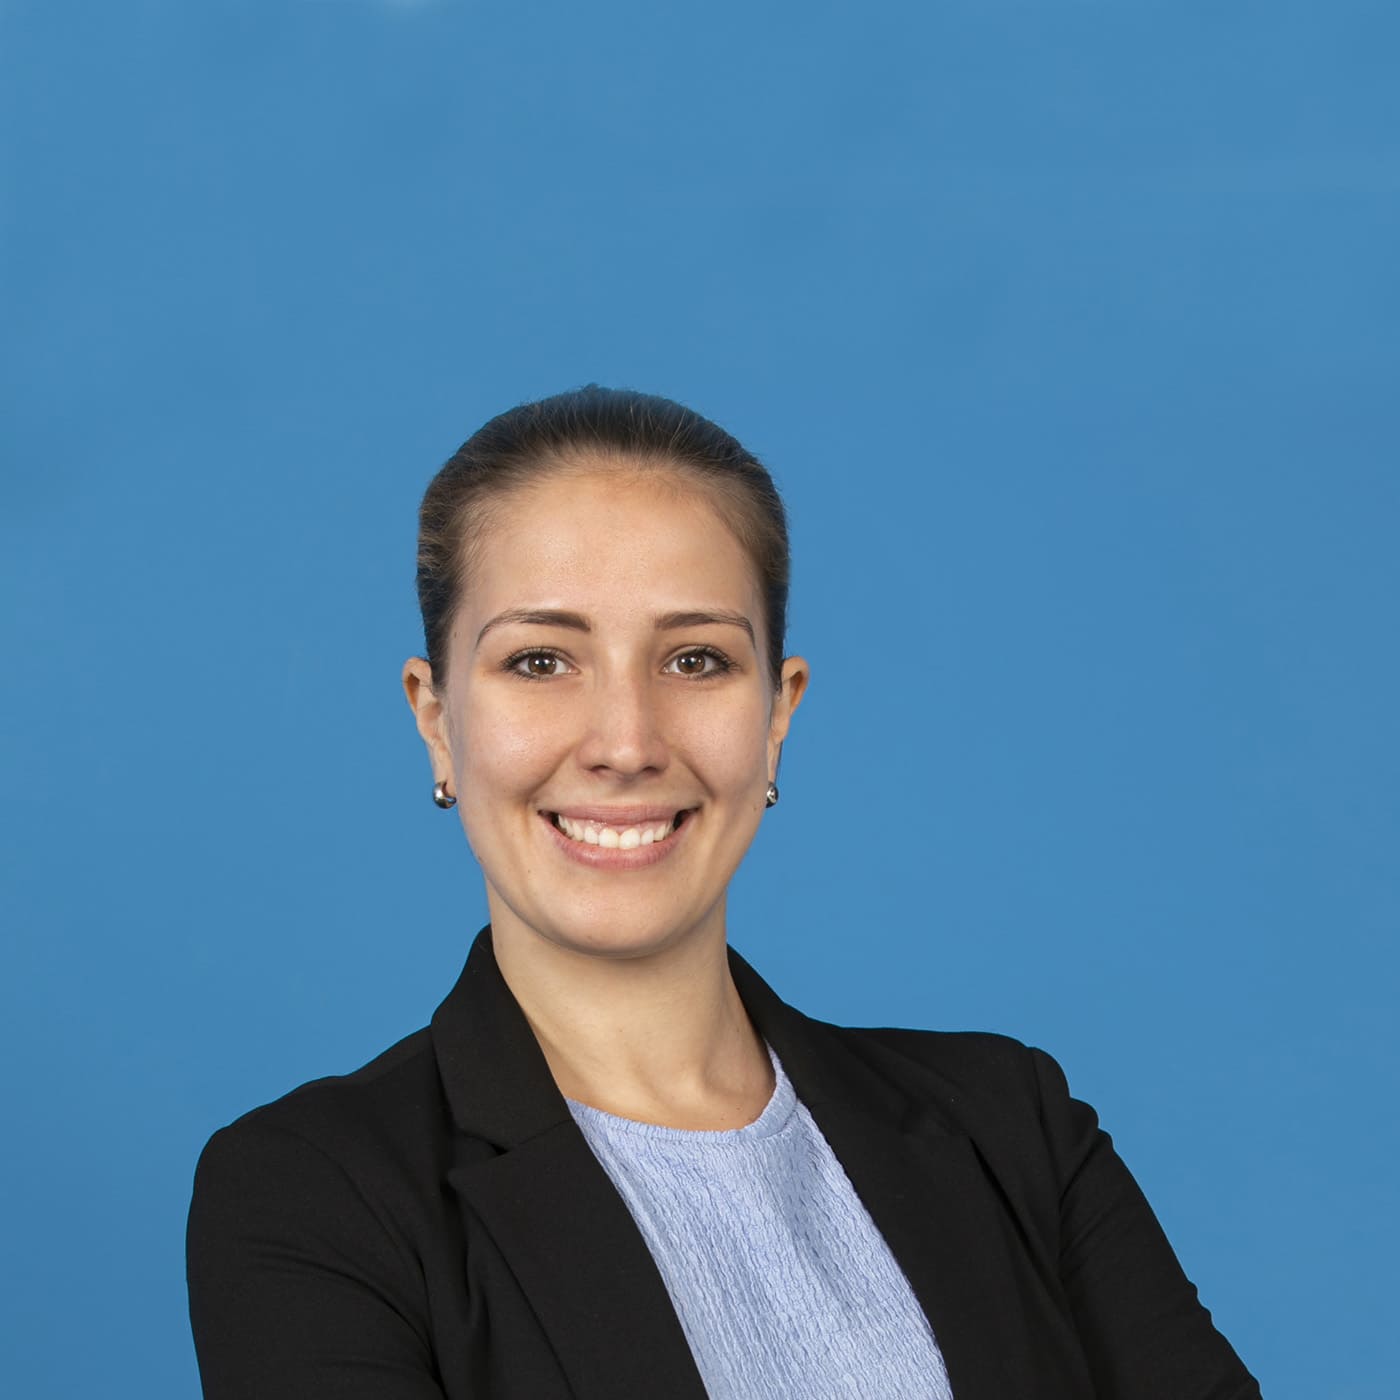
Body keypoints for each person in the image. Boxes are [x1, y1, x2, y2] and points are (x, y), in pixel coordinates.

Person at [186, 386, 1262, 1399]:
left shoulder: (1010, 1126)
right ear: (435, 716)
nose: (624, 741)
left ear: (777, 711)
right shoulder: (311, 1193)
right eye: (540, 661)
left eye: (695, 659)